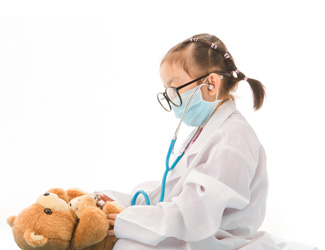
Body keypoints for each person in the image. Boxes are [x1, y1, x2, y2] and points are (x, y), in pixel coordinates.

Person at [95, 34, 317, 250]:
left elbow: (194, 216)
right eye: (167, 90)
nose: (171, 99)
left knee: (126, 245)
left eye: (174, 89)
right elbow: (173, 191)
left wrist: (129, 218)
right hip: (195, 234)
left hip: (213, 240)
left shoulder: (232, 141)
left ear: (211, 83)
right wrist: (124, 203)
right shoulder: (207, 130)